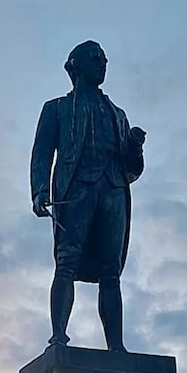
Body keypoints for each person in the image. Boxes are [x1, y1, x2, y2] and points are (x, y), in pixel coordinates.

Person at [30, 40, 146, 351]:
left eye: (105, 59)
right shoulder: (57, 109)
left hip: (113, 191)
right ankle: (58, 337)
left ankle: (116, 346)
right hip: (76, 190)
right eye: (95, 58)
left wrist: (135, 146)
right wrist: (40, 189)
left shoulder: (117, 114)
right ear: (75, 66)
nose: (102, 63)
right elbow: (42, 152)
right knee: (65, 262)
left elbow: (131, 169)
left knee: (112, 270)